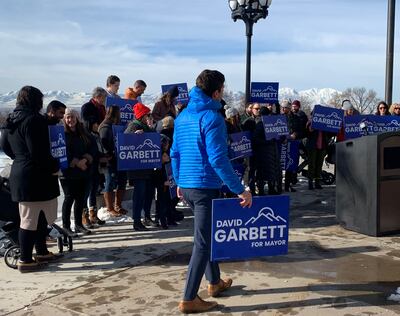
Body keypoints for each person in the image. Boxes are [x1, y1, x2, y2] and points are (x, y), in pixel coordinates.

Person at [170, 69, 252, 314]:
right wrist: (240, 190)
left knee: (207, 235)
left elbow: (174, 153)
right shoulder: (212, 118)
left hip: (187, 184)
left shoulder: (183, 116)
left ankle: (214, 283)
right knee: (203, 243)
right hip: (204, 186)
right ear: (216, 92)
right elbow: (218, 159)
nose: (223, 94)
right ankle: (188, 298)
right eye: (223, 90)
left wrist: (177, 181)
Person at [0, 86, 61, 272]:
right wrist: (54, 166)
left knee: (37, 217)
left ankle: (41, 250)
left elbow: (6, 147)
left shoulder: (10, 120)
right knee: (29, 219)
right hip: (37, 175)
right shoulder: (34, 120)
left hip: (21, 172)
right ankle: (25, 259)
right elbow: (39, 152)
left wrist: (20, 158)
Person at [60, 109, 94, 236]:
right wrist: (75, 162)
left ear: (77, 118)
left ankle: (79, 224)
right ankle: (66, 226)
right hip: (68, 173)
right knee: (69, 199)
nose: (70, 120)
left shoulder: (83, 131)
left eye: (72, 117)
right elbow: (61, 151)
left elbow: (92, 147)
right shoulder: (61, 133)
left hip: (84, 171)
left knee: (81, 199)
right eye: (68, 117)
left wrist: (86, 159)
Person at [125, 103, 157, 231]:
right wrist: (134, 136)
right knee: (139, 194)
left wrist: (151, 128)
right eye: (147, 115)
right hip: (138, 169)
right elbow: (124, 140)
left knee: (149, 193)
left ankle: (147, 216)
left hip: (147, 167)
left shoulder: (146, 126)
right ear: (142, 116)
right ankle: (137, 220)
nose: (149, 117)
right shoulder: (134, 126)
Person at [98, 106, 127, 217]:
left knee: (122, 181)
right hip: (110, 160)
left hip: (119, 158)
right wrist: (109, 154)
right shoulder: (105, 127)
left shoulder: (113, 126)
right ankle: (110, 207)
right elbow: (104, 143)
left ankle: (118, 205)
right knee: (110, 182)